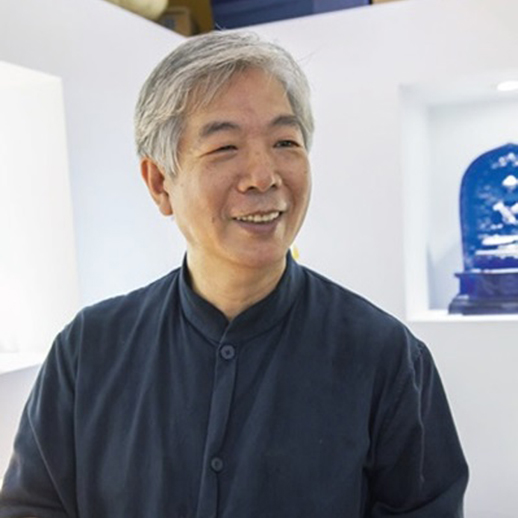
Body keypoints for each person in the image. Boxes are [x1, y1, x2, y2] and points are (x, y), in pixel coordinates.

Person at [0, 31, 468, 518]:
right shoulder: (88, 350)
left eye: (285, 142)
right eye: (225, 147)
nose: (263, 175)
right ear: (159, 183)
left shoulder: (386, 357)